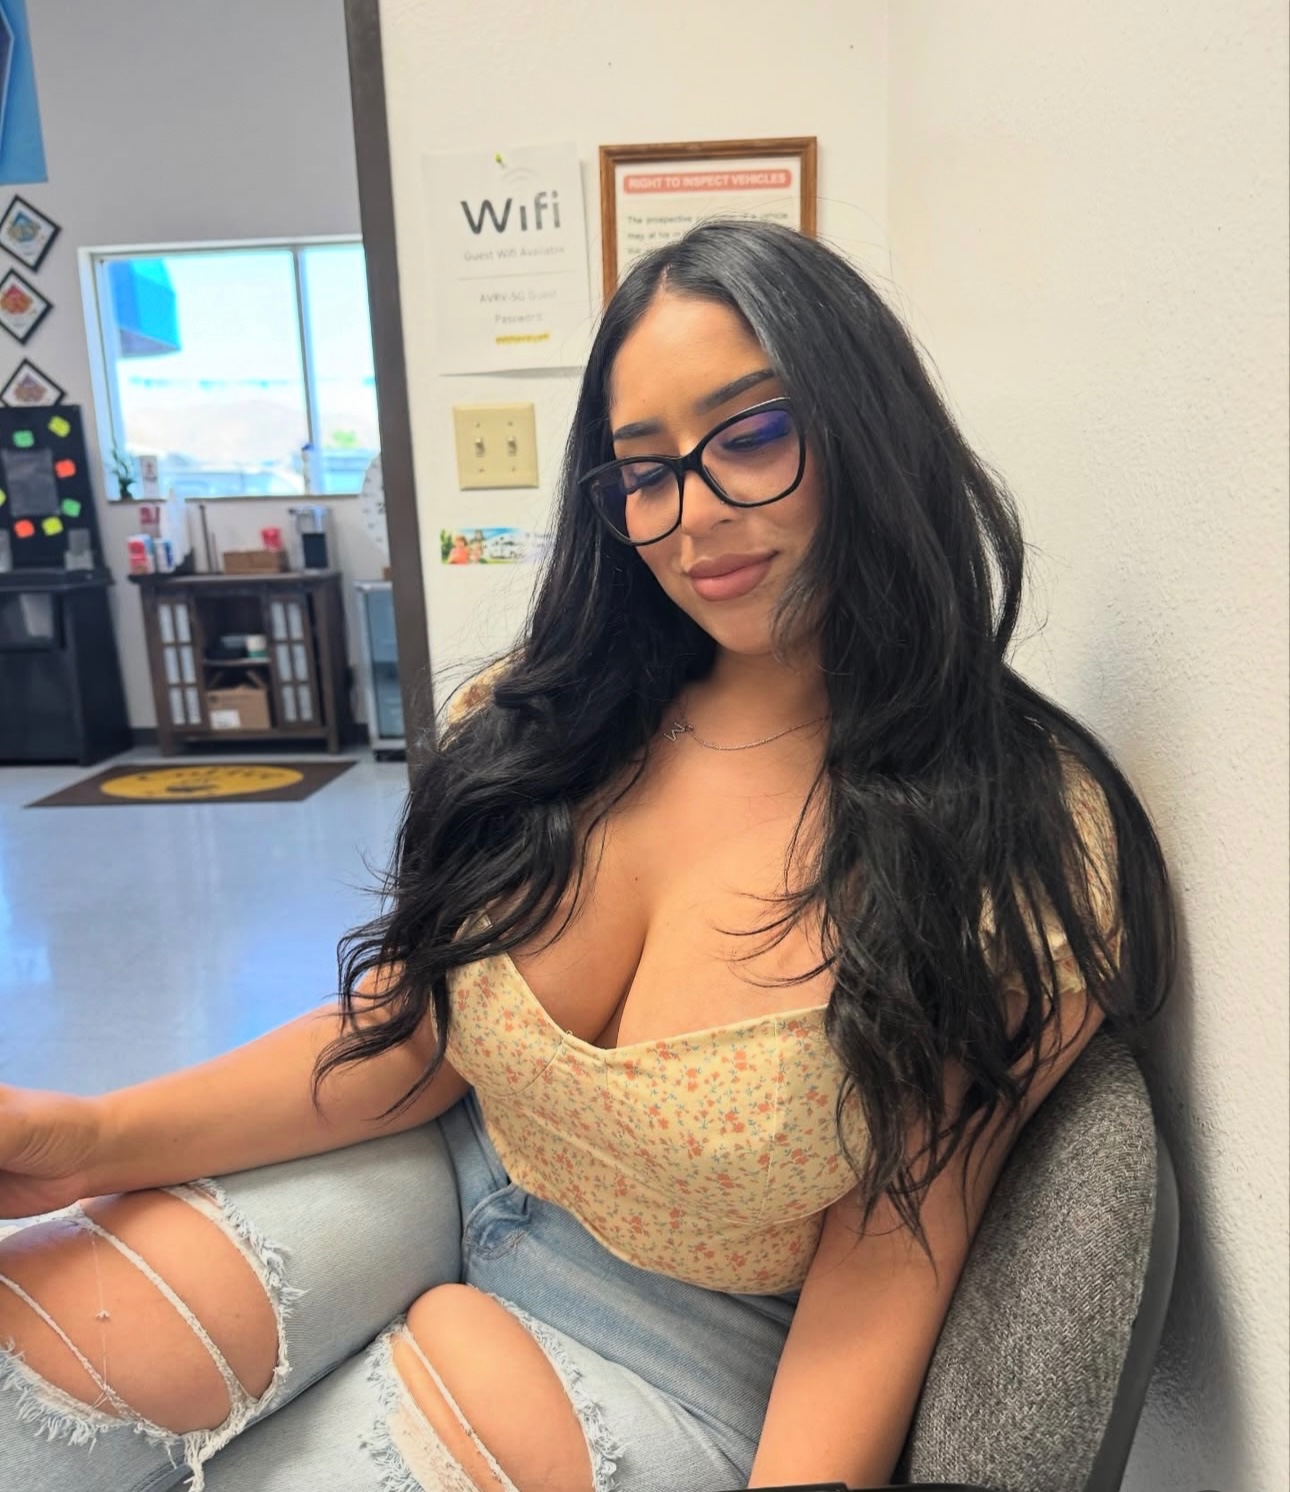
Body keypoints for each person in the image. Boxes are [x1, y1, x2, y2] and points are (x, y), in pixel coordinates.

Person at [0, 220, 1173, 1492]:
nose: (694, 518)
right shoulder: (551, 720)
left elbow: (895, 1247)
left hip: (688, 1343)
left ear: (867, 428)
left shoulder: (1013, 835)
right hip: (437, 1161)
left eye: (753, 435)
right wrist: (92, 1135)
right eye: (644, 471)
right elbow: (412, 1034)